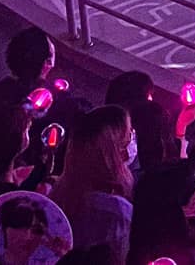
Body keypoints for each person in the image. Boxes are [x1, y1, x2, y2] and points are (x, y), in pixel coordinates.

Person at [53, 105, 136, 264]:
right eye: (129, 135)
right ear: (116, 149)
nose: (132, 141)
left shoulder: (58, 192)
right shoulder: (116, 211)